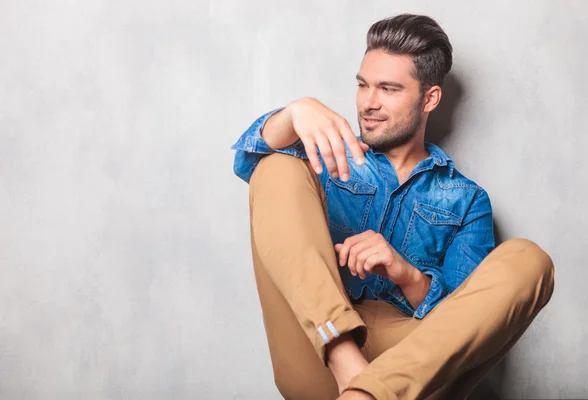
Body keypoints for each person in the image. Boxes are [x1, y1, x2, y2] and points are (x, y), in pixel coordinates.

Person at [231, 14, 554, 400]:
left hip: (410, 370)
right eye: (363, 85)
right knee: (277, 164)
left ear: (429, 98)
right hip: (318, 351)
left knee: (529, 259)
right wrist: (295, 113)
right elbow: (249, 166)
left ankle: (365, 394)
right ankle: (347, 363)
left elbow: (465, 320)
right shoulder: (325, 155)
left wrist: (406, 274)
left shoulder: (465, 200)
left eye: (388, 88)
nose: (368, 103)